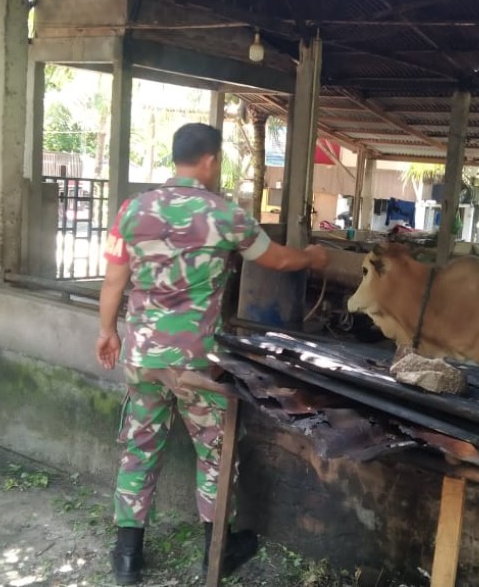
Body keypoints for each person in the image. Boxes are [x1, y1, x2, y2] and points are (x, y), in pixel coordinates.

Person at [97, 122, 329, 584]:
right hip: (198, 363)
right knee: (215, 451)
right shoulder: (225, 215)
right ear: (210, 160)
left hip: (143, 356)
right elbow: (278, 260)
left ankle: (127, 555)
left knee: (139, 447)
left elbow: (113, 280)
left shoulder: (131, 210)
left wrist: (107, 330)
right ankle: (215, 550)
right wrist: (314, 258)